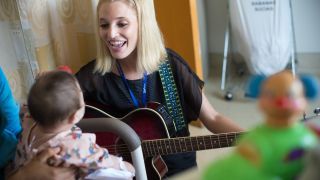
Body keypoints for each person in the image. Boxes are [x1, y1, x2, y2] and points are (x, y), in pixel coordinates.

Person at [76, 0, 243, 177]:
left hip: (177, 169)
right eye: (104, 25)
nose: (111, 33)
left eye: (122, 24)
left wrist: (254, 140)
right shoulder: (94, 77)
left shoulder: (170, 67)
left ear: (143, 24)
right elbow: (54, 116)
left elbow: (213, 118)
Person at [8, 71, 134, 179]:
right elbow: (103, 160)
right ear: (75, 116)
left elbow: (28, 106)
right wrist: (127, 167)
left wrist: (43, 84)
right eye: (81, 96)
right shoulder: (75, 145)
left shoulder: (28, 120)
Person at [203, 70, 318, 180]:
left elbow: (213, 118)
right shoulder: (254, 141)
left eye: (290, 95)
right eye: (272, 95)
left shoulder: (310, 136)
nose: (281, 101)